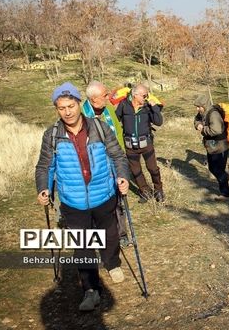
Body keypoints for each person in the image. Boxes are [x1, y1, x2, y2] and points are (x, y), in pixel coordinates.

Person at [35, 82, 130, 312]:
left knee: (109, 233)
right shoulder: (53, 134)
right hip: (72, 201)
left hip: (104, 194)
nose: (67, 112)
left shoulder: (99, 127)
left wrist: (122, 176)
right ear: (57, 110)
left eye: (70, 106)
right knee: (82, 245)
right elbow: (44, 166)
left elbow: (117, 155)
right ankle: (90, 289)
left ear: (79, 104)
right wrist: (43, 188)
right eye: (61, 108)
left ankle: (112, 263)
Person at [82, 81, 130, 247]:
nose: (108, 98)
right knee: (98, 204)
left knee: (118, 200)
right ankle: (100, 239)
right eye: (105, 95)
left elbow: (118, 132)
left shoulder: (108, 110)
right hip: (96, 167)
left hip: (114, 162)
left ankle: (122, 233)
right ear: (94, 99)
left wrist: (121, 157)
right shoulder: (82, 114)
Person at [115, 84, 164, 202]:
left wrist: (155, 108)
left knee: (153, 169)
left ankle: (158, 190)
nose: (146, 98)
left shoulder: (147, 106)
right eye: (144, 95)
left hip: (146, 143)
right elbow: (116, 119)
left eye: (147, 95)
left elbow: (158, 122)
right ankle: (145, 191)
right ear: (135, 95)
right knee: (136, 171)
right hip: (130, 145)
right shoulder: (123, 105)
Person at [193, 95, 229, 198]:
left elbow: (217, 130)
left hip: (220, 146)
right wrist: (198, 125)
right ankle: (227, 178)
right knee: (213, 168)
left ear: (204, 105)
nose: (197, 109)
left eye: (198, 106)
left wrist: (203, 129)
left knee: (218, 170)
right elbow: (196, 119)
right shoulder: (203, 112)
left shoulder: (213, 114)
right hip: (211, 146)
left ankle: (225, 194)